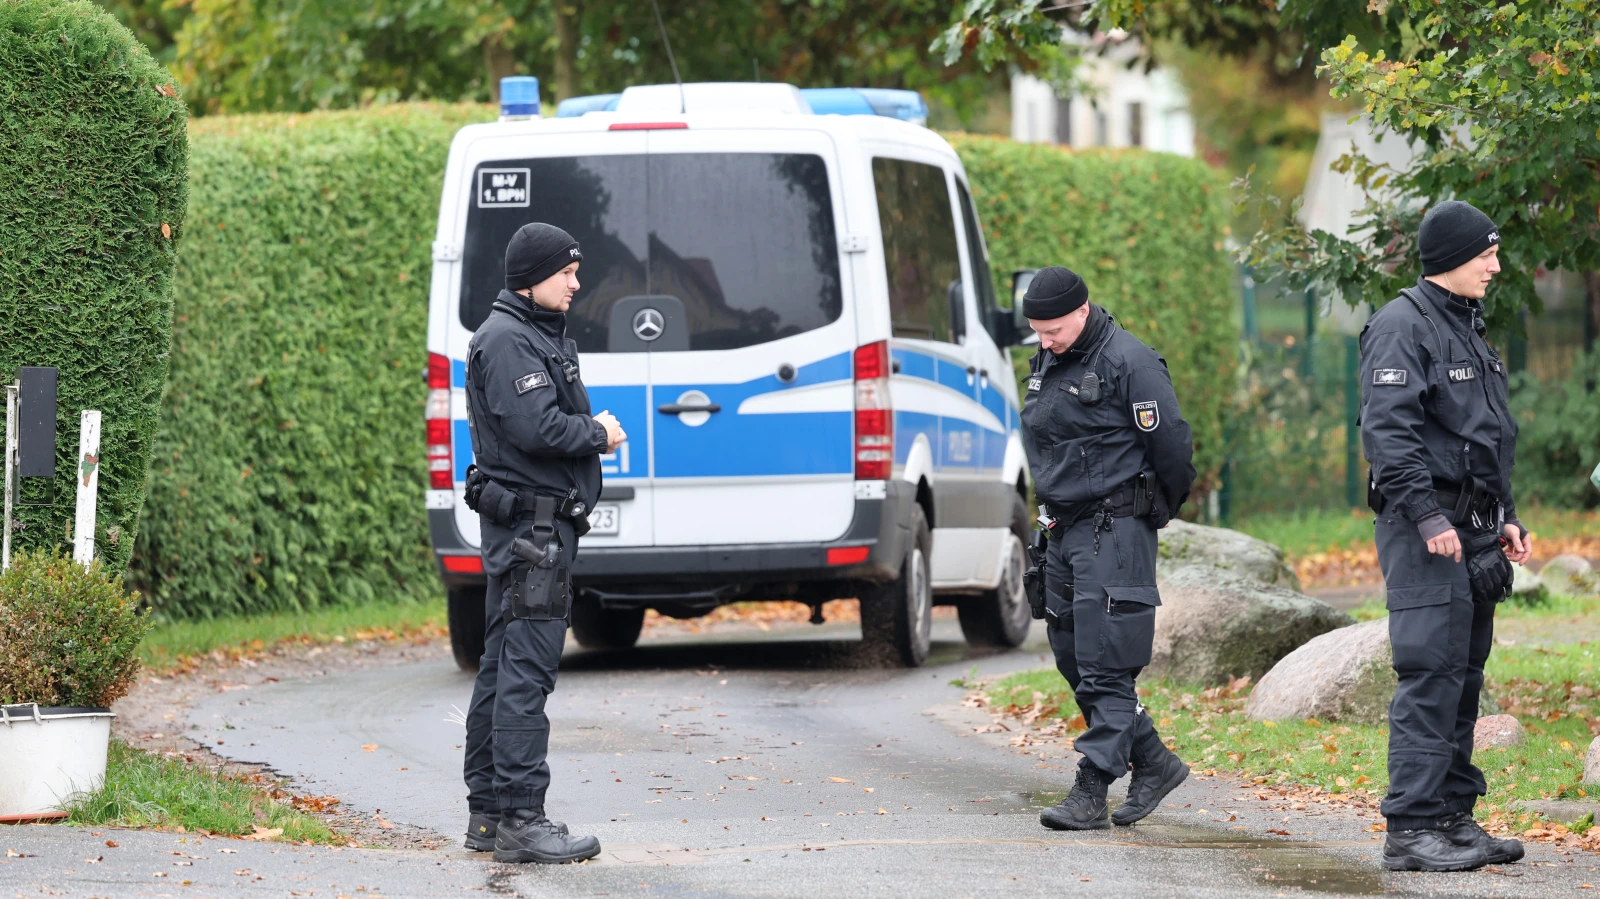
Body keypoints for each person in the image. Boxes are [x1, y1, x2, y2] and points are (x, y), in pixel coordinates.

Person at [1360, 200, 1531, 872]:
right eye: (1484, 253)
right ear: (1452, 259)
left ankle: (1453, 817)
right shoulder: (1402, 326)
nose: (1495, 264)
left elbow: (1487, 435)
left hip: (1475, 528)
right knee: (1429, 672)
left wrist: (1506, 514)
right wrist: (1430, 518)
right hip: (1424, 527)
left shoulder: (1466, 325)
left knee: (1463, 676)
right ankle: (1409, 827)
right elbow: (1388, 433)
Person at [459, 222, 625, 864]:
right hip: (533, 537)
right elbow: (536, 428)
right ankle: (522, 820)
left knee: (503, 671)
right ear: (534, 276)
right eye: (568, 273)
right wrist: (598, 433)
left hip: (534, 530)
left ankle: (488, 815)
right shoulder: (507, 340)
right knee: (525, 674)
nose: (577, 284)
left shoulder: (527, 334)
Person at [1018, 266, 1196, 830]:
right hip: (1063, 528)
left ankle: (1090, 789)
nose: (1045, 342)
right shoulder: (1049, 360)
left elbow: (1173, 449)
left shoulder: (1130, 362)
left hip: (1116, 526)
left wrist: (1150, 512)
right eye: (1037, 333)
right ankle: (1155, 763)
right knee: (1073, 655)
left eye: (1052, 331)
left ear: (1082, 310)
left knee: (1107, 665)